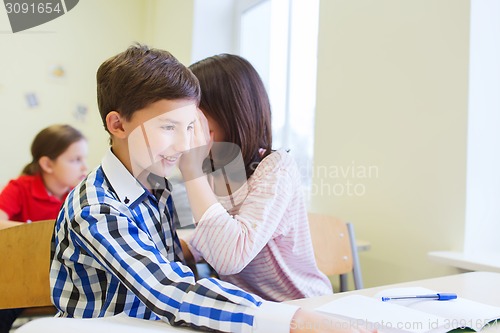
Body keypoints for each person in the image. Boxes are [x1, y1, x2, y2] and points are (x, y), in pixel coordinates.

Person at [49, 44, 373, 333]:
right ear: (118, 125)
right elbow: (172, 290)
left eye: (191, 127)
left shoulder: (156, 188)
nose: (185, 143)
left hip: (283, 306)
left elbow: (191, 261)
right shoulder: (99, 208)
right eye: (168, 127)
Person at [179, 54, 333, 302]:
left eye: (195, 112)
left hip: (301, 304)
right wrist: (188, 247)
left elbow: (230, 255)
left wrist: (191, 169)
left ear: (230, 111)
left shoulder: (275, 168)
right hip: (252, 310)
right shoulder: (213, 171)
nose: (187, 123)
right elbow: (218, 231)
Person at [0, 124, 88, 333]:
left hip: (63, 277)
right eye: (76, 160)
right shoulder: (20, 188)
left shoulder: (79, 195)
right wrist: (34, 233)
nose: (84, 167)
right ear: (48, 164)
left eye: (84, 159)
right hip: (21, 278)